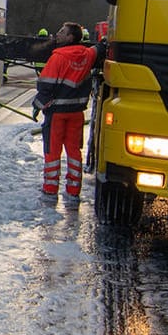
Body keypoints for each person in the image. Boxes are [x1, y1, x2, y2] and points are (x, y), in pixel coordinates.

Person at [32, 21, 98, 205]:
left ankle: (50, 189)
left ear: (70, 37)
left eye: (62, 32)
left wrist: (38, 105)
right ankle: (73, 190)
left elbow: (45, 85)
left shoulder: (58, 57)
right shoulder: (87, 55)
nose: (58, 34)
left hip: (57, 113)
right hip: (77, 113)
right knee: (74, 151)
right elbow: (97, 49)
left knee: (53, 151)